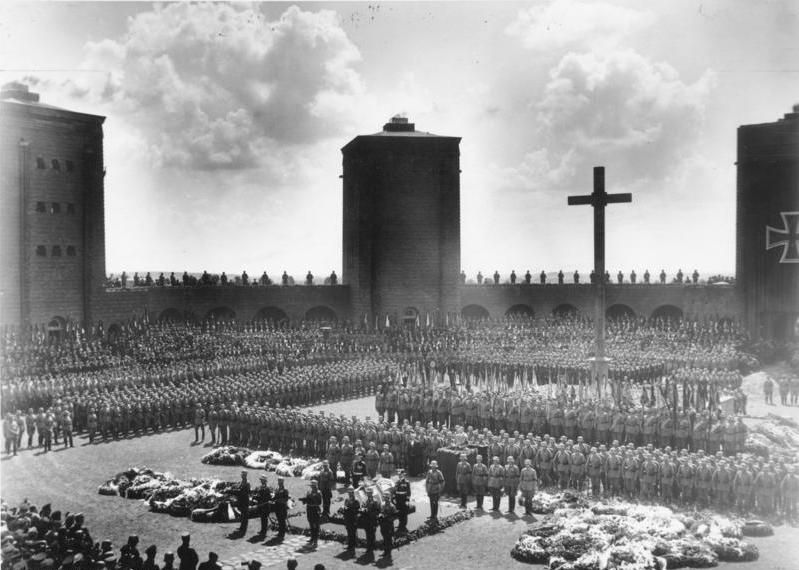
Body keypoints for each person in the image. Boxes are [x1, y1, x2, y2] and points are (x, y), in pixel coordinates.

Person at [303, 479, 322, 547]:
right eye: (312, 486)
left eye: (314, 486)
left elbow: (319, 502)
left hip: (315, 509)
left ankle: (316, 540)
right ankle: (312, 538)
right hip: (309, 509)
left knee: (315, 525)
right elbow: (307, 498)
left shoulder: (318, 493)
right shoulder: (309, 492)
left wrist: (313, 501)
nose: (313, 487)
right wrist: (304, 500)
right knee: (311, 523)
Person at [342, 486, 360, 552]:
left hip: (353, 518)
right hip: (347, 517)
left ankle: (353, 546)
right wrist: (344, 508)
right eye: (349, 492)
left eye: (351, 492)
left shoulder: (356, 500)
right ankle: (350, 545)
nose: (350, 494)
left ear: (353, 492)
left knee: (353, 532)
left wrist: (350, 509)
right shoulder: (347, 499)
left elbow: (358, 510)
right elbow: (345, 506)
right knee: (349, 532)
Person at [362, 487, 380, 552]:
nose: (368, 494)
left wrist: (370, 512)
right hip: (366, 520)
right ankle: (369, 547)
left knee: (372, 534)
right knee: (367, 534)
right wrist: (364, 509)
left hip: (372, 519)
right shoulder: (365, 500)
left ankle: (373, 546)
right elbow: (363, 507)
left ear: (372, 493)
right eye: (367, 493)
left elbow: (378, 511)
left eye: (370, 493)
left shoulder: (375, 501)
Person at [236, 471, 251, 535]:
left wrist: (239, 492)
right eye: (242, 475)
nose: (242, 476)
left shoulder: (247, 483)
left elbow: (247, 492)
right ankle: (241, 527)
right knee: (242, 514)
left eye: (243, 475)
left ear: (245, 475)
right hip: (241, 500)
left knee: (245, 515)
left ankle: (244, 528)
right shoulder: (242, 482)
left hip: (245, 500)